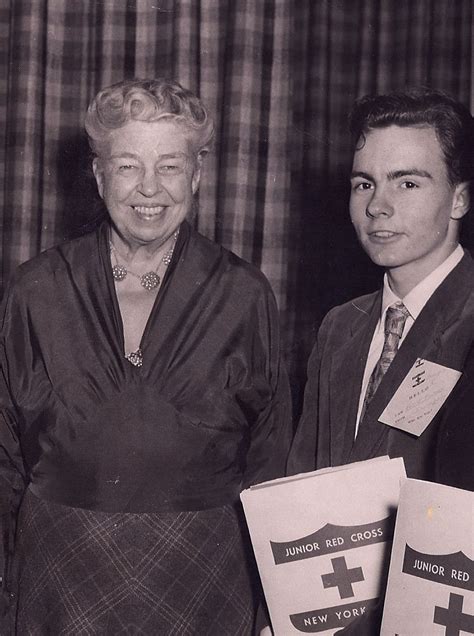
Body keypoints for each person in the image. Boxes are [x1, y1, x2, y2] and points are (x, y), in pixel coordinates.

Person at [0, 78, 292, 634]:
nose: (150, 189)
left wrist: (276, 596)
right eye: (129, 165)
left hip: (203, 574)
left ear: (198, 175)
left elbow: (271, 457)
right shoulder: (33, 290)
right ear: (98, 173)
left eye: (171, 166)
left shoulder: (245, 294)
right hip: (61, 571)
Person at [287, 88, 473, 633]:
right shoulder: (340, 327)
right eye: (364, 183)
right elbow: (302, 489)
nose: (377, 206)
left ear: (460, 199)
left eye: (407, 182)